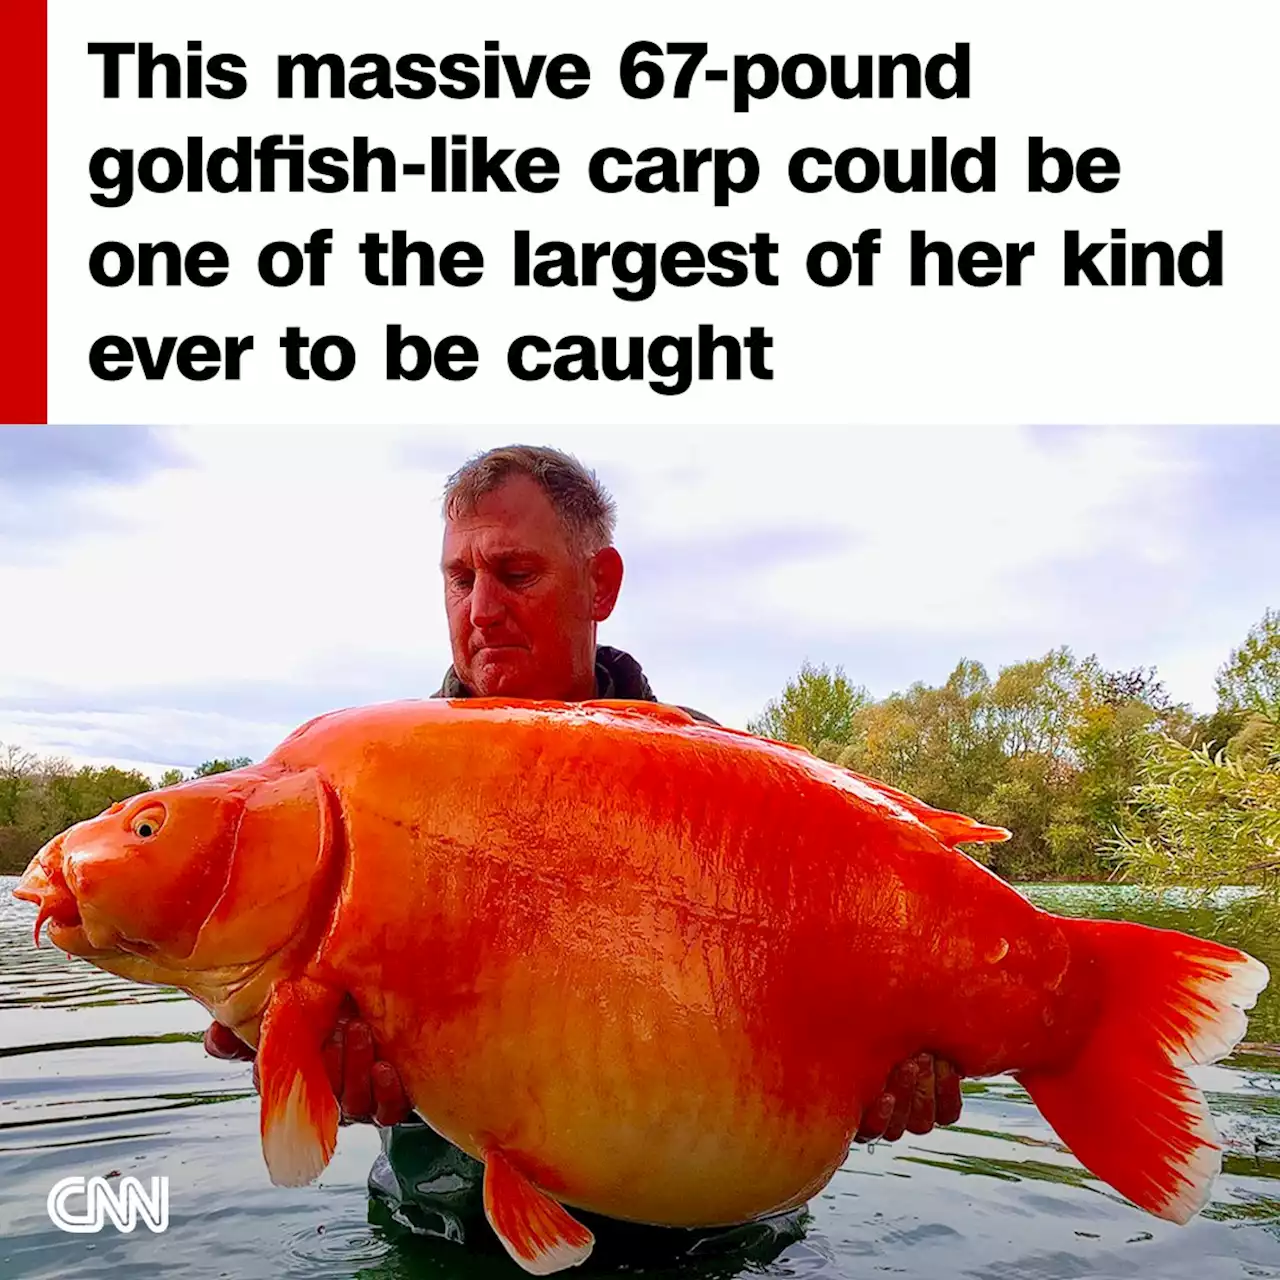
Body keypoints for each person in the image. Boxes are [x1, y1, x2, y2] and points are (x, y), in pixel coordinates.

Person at [205, 444, 964, 1260]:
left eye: (516, 574)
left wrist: (890, 1085)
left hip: (709, 1247)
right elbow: (292, 1031)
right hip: (445, 1235)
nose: (482, 608)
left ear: (601, 583)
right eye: (460, 579)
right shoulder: (362, 793)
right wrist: (305, 1069)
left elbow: (841, 1022)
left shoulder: (731, 785)